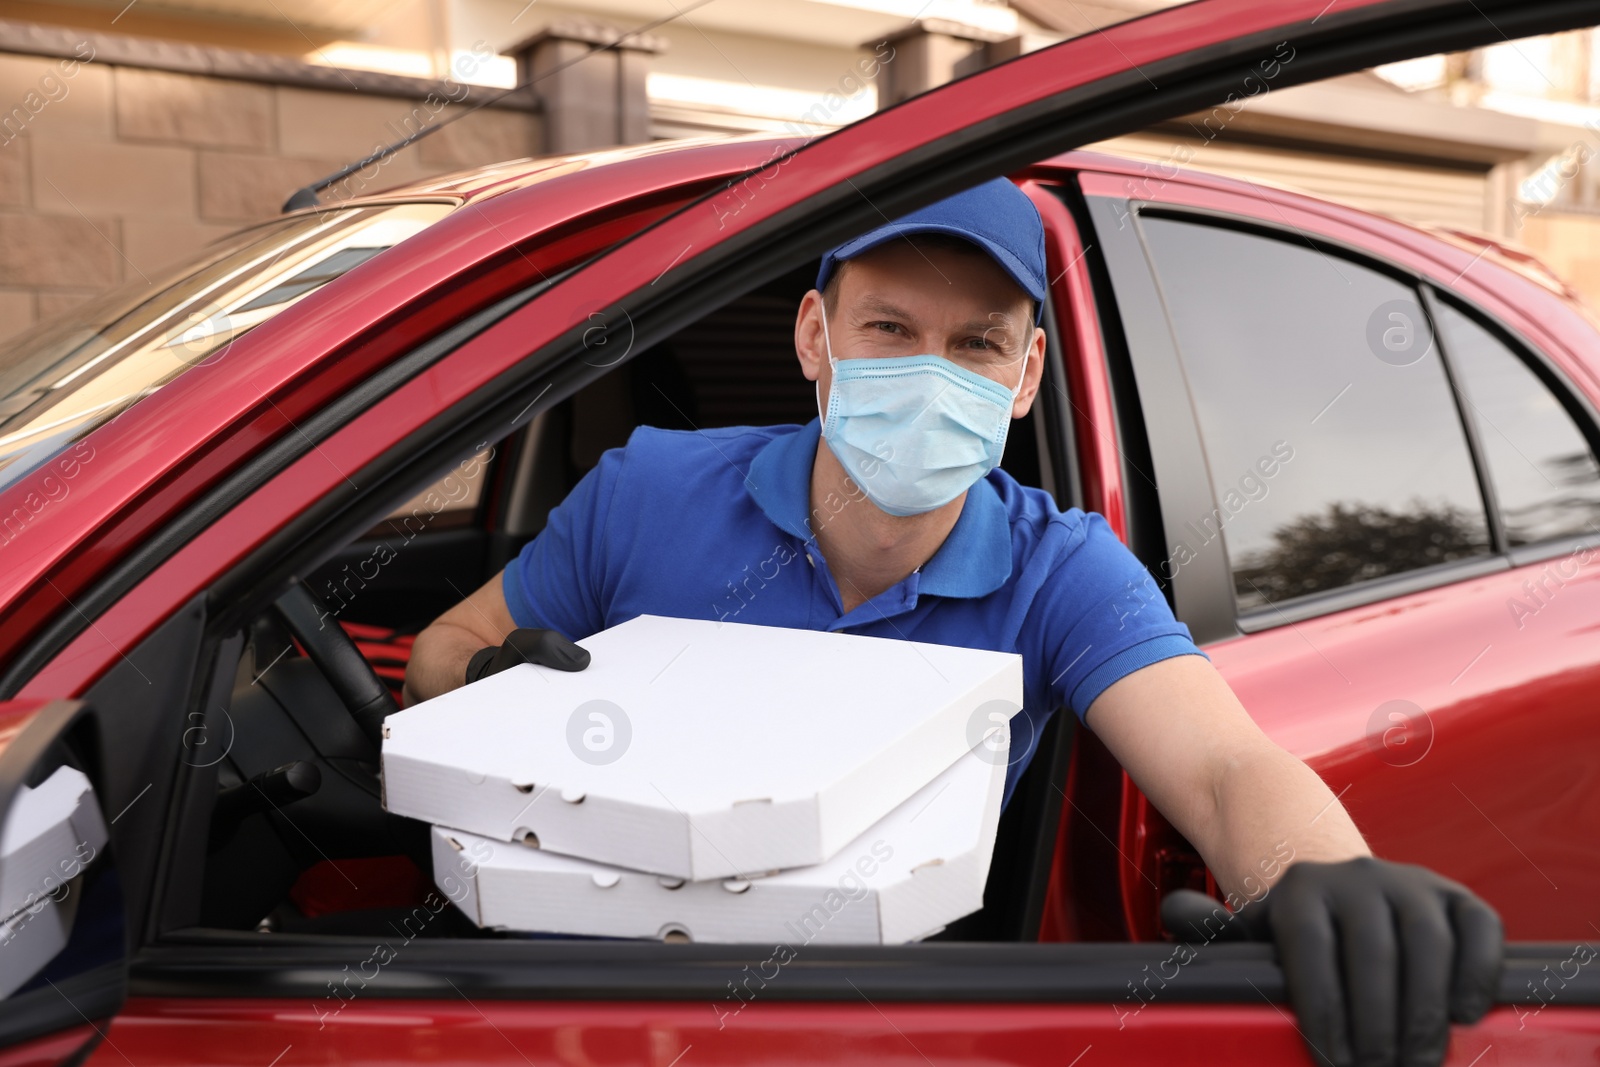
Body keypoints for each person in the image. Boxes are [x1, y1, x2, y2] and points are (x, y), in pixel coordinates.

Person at [403, 178, 1501, 1067]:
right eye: (889, 326)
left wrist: (1323, 872)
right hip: (574, 1009)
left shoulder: (1056, 567)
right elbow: (441, 649)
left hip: (859, 1029)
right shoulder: (648, 489)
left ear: (1024, 377)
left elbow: (1220, 765)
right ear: (813, 336)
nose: (930, 373)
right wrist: (492, 691)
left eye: (975, 344)